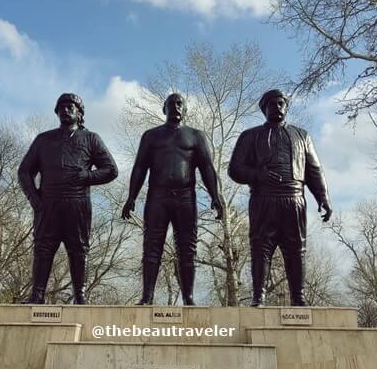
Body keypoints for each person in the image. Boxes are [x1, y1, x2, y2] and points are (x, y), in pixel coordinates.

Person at [227, 89, 332, 306]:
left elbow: (314, 169)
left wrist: (323, 197)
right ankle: (259, 296)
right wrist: (257, 174)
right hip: (263, 199)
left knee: (296, 249)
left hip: (293, 199)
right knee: (260, 247)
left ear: (286, 107)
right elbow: (234, 169)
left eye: (281, 103)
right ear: (264, 108)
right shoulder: (250, 135)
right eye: (272, 104)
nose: (277, 107)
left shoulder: (302, 136)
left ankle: (298, 297)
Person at [122, 93, 224, 305]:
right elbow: (139, 167)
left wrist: (216, 196)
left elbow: (207, 168)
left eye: (180, 104)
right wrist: (131, 197)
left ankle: (188, 298)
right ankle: (147, 296)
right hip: (157, 196)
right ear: (164, 108)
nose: (176, 107)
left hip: (185, 197)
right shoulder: (151, 136)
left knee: (187, 248)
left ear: (185, 110)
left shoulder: (196, 136)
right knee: (151, 246)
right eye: (171, 103)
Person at [18, 93, 118, 304]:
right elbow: (24, 171)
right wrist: (35, 199)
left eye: (71, 106)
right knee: (43, 248)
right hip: (49, 204)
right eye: (61, 107)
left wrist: (87, 176)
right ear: (57, 111)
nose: (66, 110)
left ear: (80, 112)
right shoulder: (44, 139)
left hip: (77, 203)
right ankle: (37, 294)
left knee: (79, 248)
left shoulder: (90, 138)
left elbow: (110, 169)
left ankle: (80, 295)